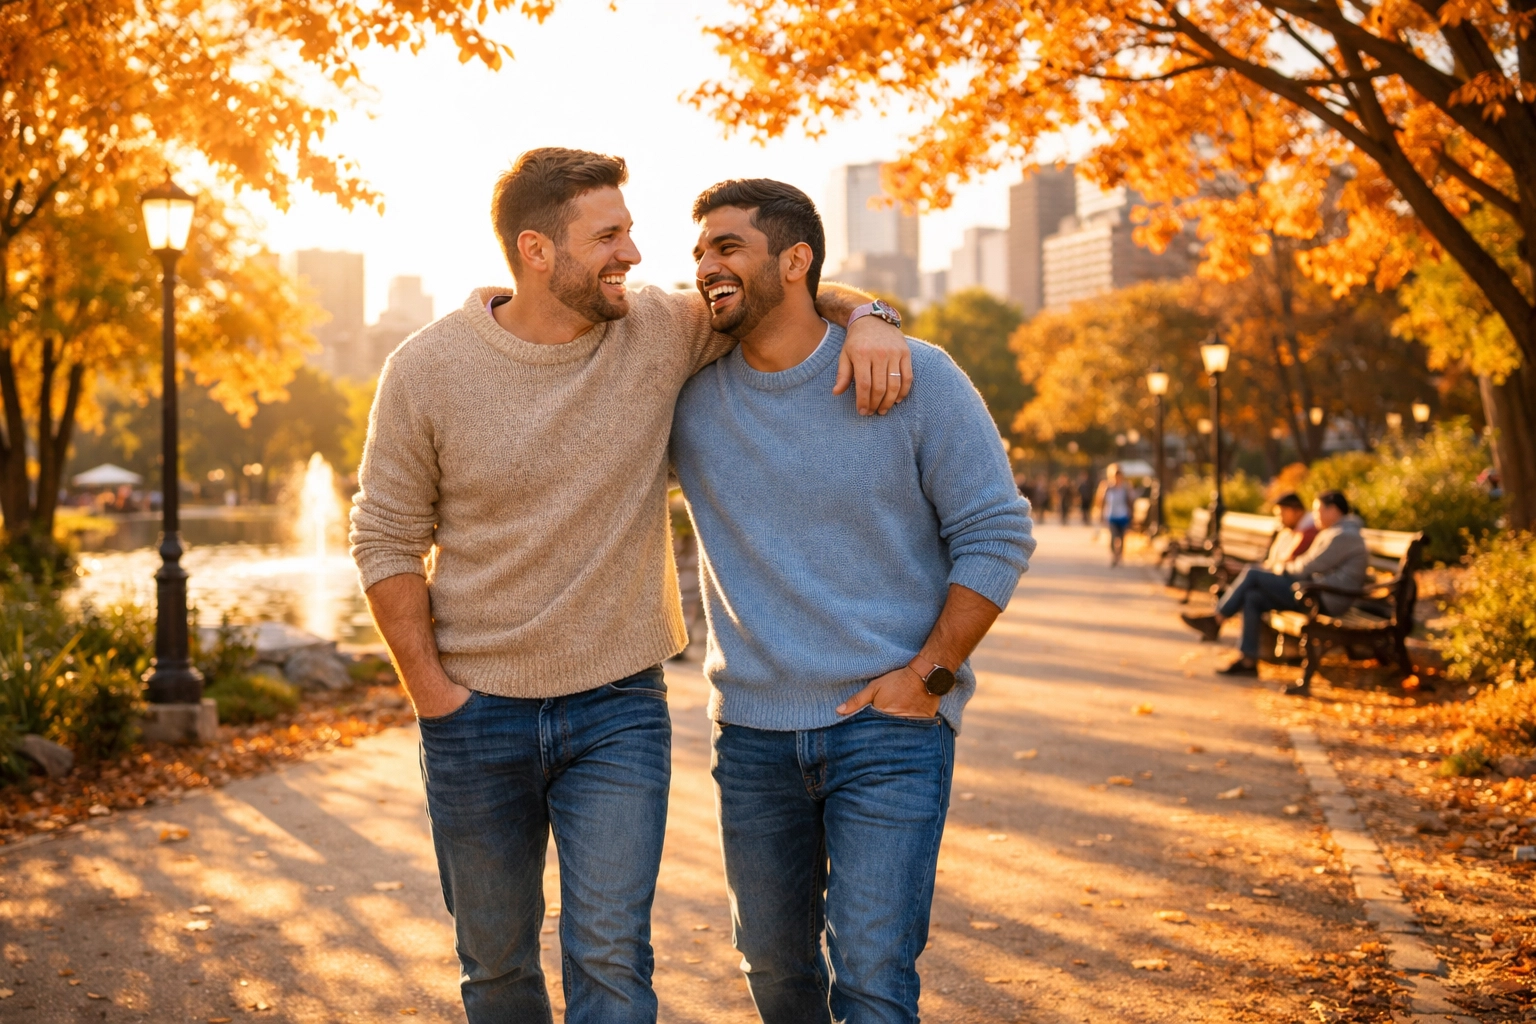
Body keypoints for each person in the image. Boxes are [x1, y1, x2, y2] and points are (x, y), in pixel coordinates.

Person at [349, 149, 910, 1024]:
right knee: (493, 967)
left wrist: (872, 318)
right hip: (474, 713)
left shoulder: (656, 328)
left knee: (611, 956)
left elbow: (772, 288)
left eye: (631, 232)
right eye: (608, 236)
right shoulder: (426, 369)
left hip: (618, 707)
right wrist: (432, 693)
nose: (635, 255)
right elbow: (383, 534)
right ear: (537, 250)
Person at [670, 179, 1036, 1024]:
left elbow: (998, 533)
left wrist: (930, 678)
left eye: (727, 247)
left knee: (872, 976)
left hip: (890, 728)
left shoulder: (918, 375)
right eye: (698, 252)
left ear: (794, 260)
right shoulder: (686, 393)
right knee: (774, 971)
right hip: (753, 737)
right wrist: (866, 306)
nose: (704, 268)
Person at [1180, 490, 1367, 686]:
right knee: (1253, 597)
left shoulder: (1343, 535)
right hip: (1316, 592)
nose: (1315, 516)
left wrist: (1279, 568)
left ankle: (1217, 619)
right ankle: (1248, 660)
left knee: (1253, 574)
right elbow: (1308, 566)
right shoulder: (1335, 532)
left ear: (1334, 510)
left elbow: (1306, 567)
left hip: (1326, 599)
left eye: (1318, 510)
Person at [1092, 463, 1134, 566]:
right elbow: (1100, 502)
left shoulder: (1125, 487)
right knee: (1113, 537)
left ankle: (1120, 556)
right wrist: (1100, 514)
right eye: (1116, 474)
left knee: (1122, 538)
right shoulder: (1106, 486)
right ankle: (1114, 555)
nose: (1118, 476)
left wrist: (1132, 513)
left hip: (1123, 515)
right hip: (1111, 515)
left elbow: (1130, 501)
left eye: (1119, 474)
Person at [1263, 492, 1317, 570]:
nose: (1279, 519)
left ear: (1297, 511)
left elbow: (1289, 559)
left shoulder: (1310, 529)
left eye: (1281, 514)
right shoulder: (1291, 529)